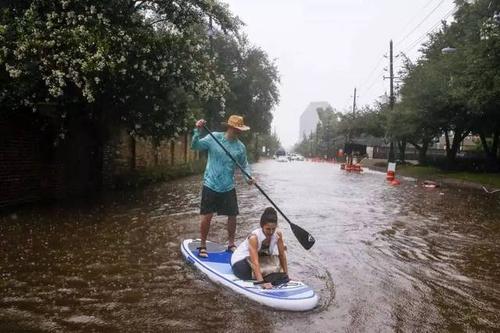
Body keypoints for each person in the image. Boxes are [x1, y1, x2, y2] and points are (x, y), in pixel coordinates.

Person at [191, 115, 254, 258]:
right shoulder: (214, 138)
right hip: (210, 184)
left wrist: (248, 177)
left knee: (233, 216)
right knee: (206, 217)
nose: (240, 132)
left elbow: (244, 165)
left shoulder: (240, 147)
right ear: (230, 127)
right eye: (238, 129)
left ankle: (231, 244)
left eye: (241, 129)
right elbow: (195, 146)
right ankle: (202, 245)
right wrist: (197, 130)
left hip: (228, 186)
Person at [231, 207, 288, 289]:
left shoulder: (278, 234)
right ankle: (264, 276)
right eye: (268, 229)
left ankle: (267, 275)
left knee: (277, 263)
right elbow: (255, 262)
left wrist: (286, 276)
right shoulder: (254, 238)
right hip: (241, 263)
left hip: (259, 259)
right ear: (262, 226)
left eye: (273, 229)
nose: (271, 232)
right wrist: (261, 282)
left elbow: (282, 256)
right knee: (246, 272)